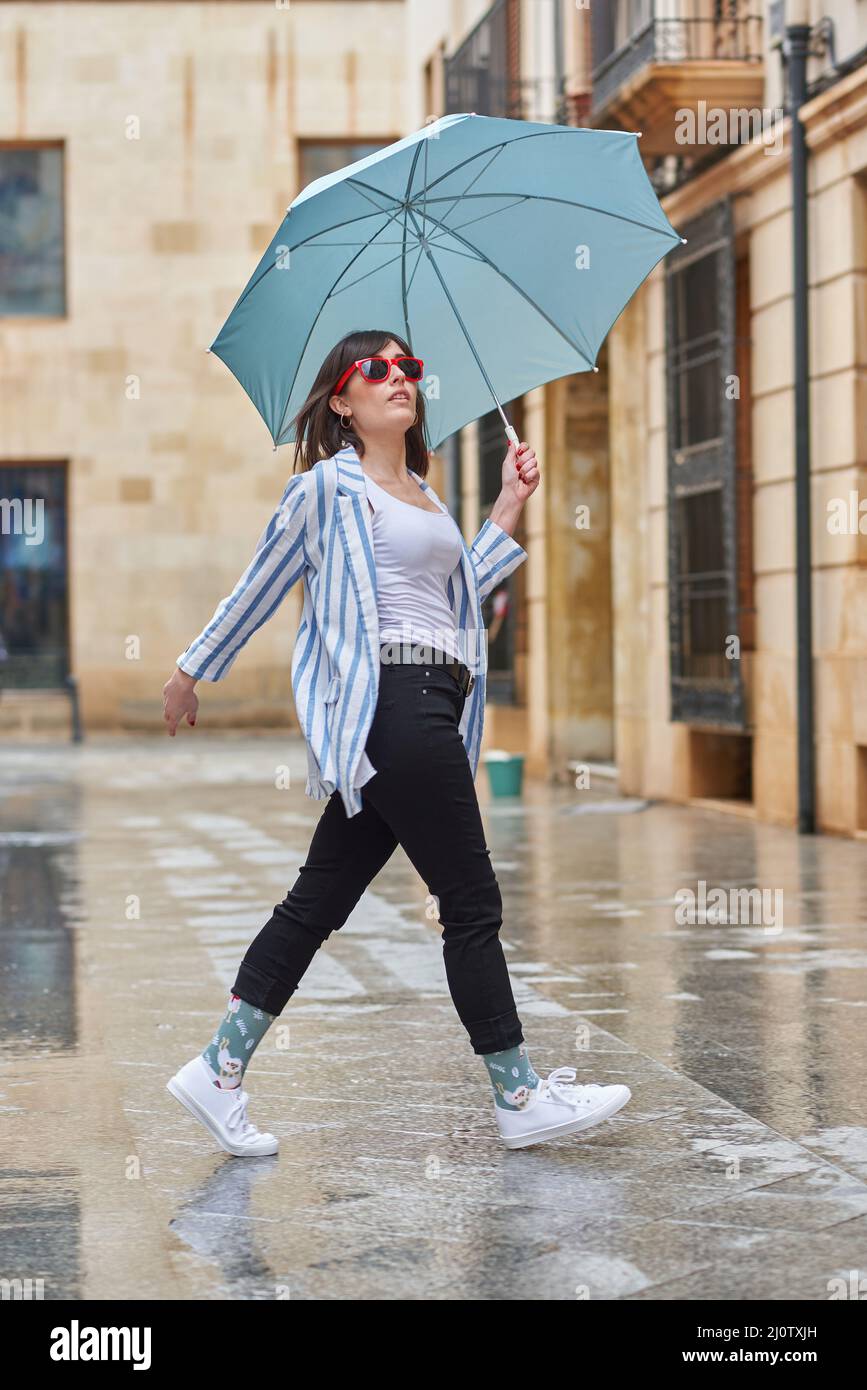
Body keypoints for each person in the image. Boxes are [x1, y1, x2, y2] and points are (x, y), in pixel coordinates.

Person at [162, 328, 631, 1155]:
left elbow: (449, 606)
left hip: (431, 701)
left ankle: (217, 1069)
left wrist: (504, 511)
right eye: (374, 370)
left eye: (407, 368)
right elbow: (261, 583)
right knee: (472, 902)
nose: (397, 379)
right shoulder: (324, 490)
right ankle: (518, 1096)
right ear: (341, 401)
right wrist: (191, 670)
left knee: (318, 899)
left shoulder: (422, 490)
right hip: (391, 705)